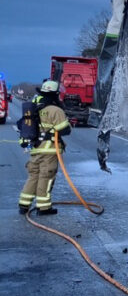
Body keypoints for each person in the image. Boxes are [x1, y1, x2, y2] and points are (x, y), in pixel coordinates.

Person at [18, 80, 71, 215]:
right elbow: (65, 130)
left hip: (35, 149)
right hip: (49, 150)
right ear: (56, 94)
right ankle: (44, 207)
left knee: (33, 176)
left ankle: (24, 205)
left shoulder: (35, 108)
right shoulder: (55, 110)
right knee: (46, 177)